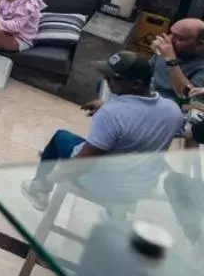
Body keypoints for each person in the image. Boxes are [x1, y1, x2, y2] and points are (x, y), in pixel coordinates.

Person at [20, 51, 185, 212]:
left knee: (61, 137)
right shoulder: (173, 110)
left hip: (105, 186)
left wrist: (50, 179)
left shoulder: (112, 114)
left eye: (112, 78)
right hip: (142, 186)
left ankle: (38, 190)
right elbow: (144, 119)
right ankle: (114, 217)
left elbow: (81, 165)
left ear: (136, 84)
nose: (106, 81)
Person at [148, 17, 204, 102]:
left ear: (200, 44)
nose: (170, 40)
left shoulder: (200, 65)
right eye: (171, 33)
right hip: (148, 97)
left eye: (180, 38)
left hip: (173, 107)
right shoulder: (169, 49)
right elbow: (145, 73)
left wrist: (171, 61)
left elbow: (188, 95)